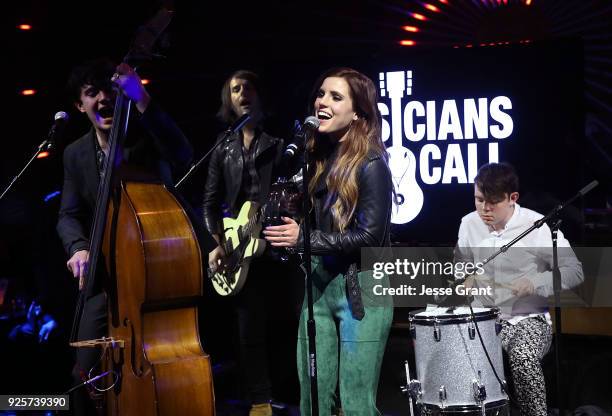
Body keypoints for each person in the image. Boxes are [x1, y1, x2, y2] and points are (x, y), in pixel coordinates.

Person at [56, 58, 212, 414]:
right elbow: (68, 214)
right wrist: (79, 248)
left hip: (153, 267)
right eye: (91, 93)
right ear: (80, 105)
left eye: (108, 90)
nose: (102, 99)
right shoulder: (74, 154)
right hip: (104, 272)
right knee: (82, 369)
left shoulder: (146, 135)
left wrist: (141, 96)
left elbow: (183, 153)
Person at [264, 67, 394, 415]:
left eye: (336, 97)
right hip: (319, 286)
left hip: (363, 288)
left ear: (358, 112)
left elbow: (370, 235)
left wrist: (305, 238)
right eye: (321, 94)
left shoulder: (371, 163)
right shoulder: (316, 159)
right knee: (313, 398)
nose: (322, 102)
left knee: (355, 403)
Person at [203, 70, 298, 416]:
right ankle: (259, 401)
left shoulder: (278, 141)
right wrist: (217, 242)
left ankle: (289, 396)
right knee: (248, 328)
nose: (243, 93)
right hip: (239, 246)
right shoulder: (222, 146)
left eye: (249, 87)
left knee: (285, 321)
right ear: (228, 100)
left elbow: (295, 187)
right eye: (235, 89)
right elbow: (210, 201)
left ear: (259, 95)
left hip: (275, 239)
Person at [455, 162, 584, 416]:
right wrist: (464, 279)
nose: (484, 209)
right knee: (455, 355)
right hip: (484, 320)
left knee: (523, 357)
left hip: (529, 320)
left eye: (493, 202)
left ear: (512, 198)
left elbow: (574, 271)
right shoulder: (468, 224)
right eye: (479, 200)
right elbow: (460, 268)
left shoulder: (535, 226)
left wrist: (536, 283)